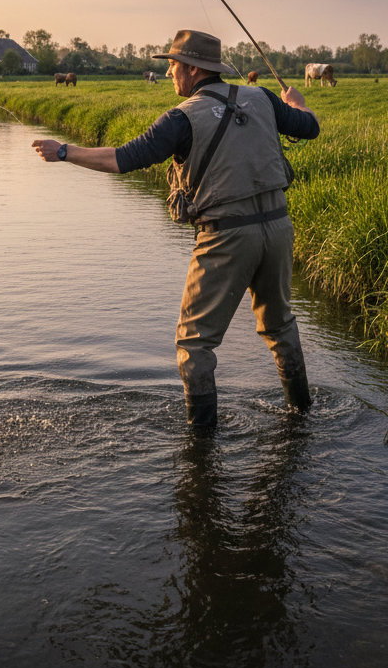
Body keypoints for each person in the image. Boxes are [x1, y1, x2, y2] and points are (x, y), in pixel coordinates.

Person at [32, 30, 320, 427]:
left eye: (171, 65)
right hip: (278, 227)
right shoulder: (266, 99)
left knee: (193, 343)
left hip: (226, 236)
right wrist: (300, 106)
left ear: (191, 68)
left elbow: (122, 159)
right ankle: (302, 416)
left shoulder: (181, 117)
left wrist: (64, 151)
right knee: (280, 325)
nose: (168, 73)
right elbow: (310, 128)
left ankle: (201, 446)